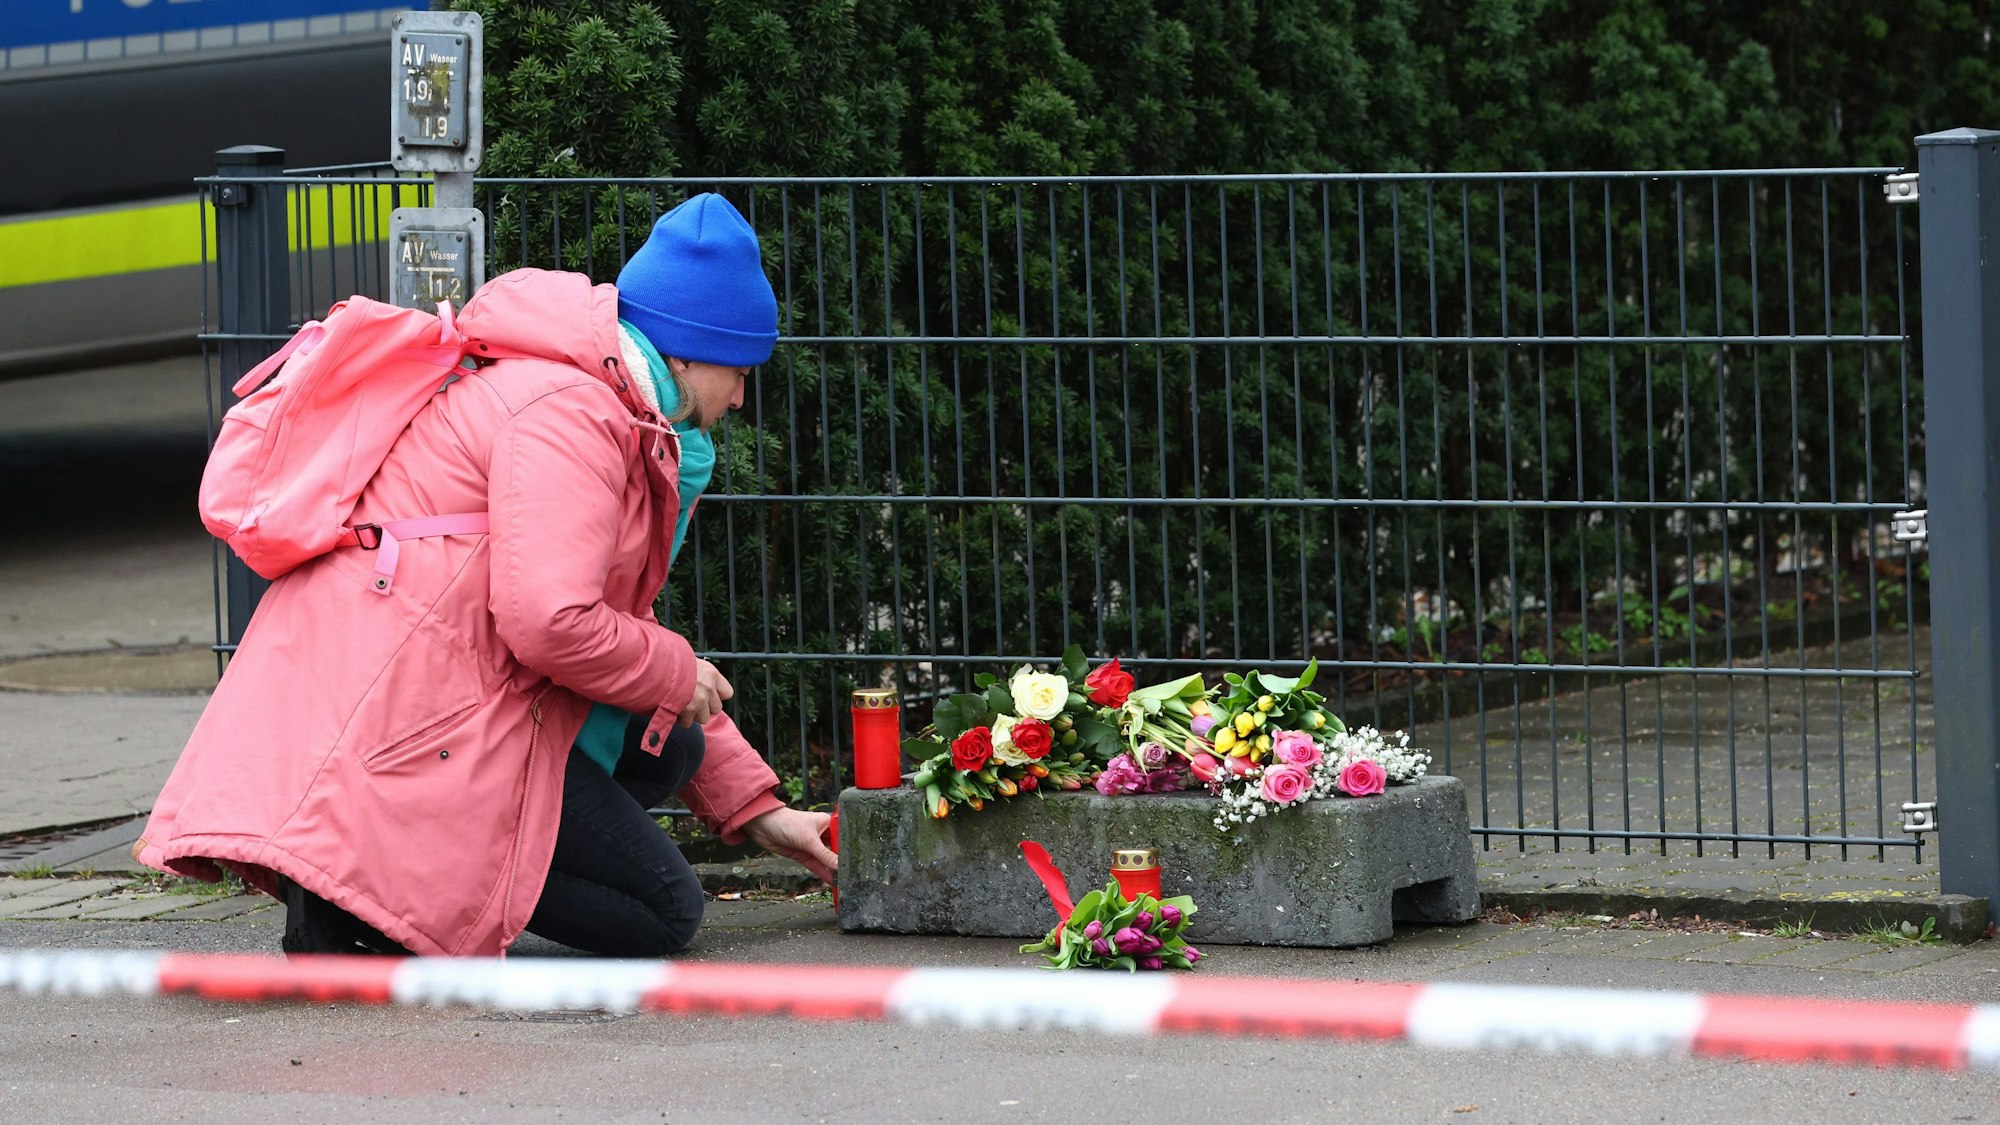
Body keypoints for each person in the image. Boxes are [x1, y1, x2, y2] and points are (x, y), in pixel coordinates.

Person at [134, 193, 837, 957]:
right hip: (408, 716)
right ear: (687, 352)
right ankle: (381, 902)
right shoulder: (576, 412)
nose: (741, 395)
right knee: (665, 910)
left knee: (671, 743)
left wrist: (757, 807)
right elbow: (550, 621)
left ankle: (382, 894)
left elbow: (603, 622)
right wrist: (674, 670)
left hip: (411, 697)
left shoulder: (586, 393)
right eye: (739, 370)